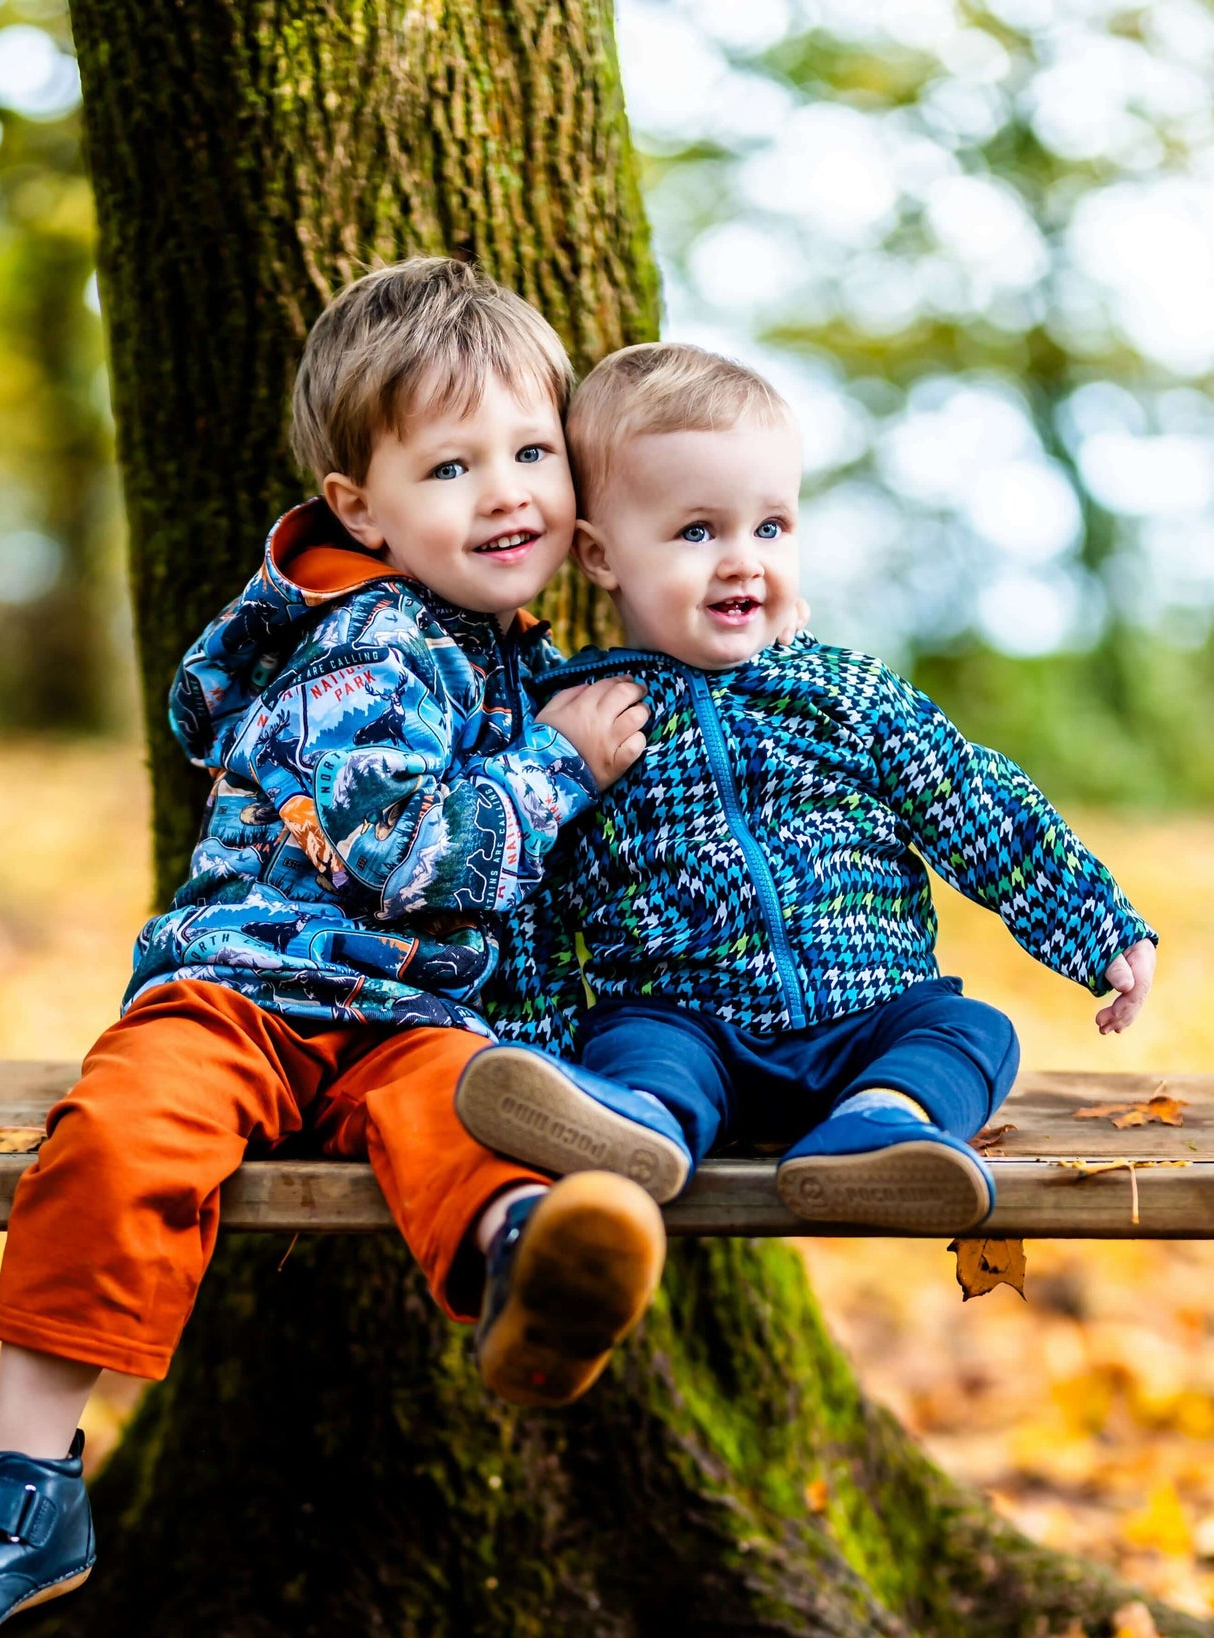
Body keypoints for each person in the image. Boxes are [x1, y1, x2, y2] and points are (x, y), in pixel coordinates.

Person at [0, 259, 662, 1638]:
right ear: (361, 509)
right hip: (243, 996)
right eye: (450, 466)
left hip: (408, 1020)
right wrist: (555, 764)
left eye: (532, 452)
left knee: (468, 1119)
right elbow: (405, 852)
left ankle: (531, 1265)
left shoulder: (503, 652)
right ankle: (22, 1496)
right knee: (120, 1138)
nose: (507, 493)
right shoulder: (378, 644)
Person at [458, 341, 1157, 1238]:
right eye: (697, 532)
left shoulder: (839, 690)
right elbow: (532, 904)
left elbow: (971, 800)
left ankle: (879, 1127)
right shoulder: (581, 719)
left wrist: (1093, 922)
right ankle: (639, 1124)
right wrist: (536, 1042)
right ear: (600, 554)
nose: (742, 561)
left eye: (770, 528)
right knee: (633, 1044)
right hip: (687, 1025)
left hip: (866, 1013)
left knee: (973, 1031)